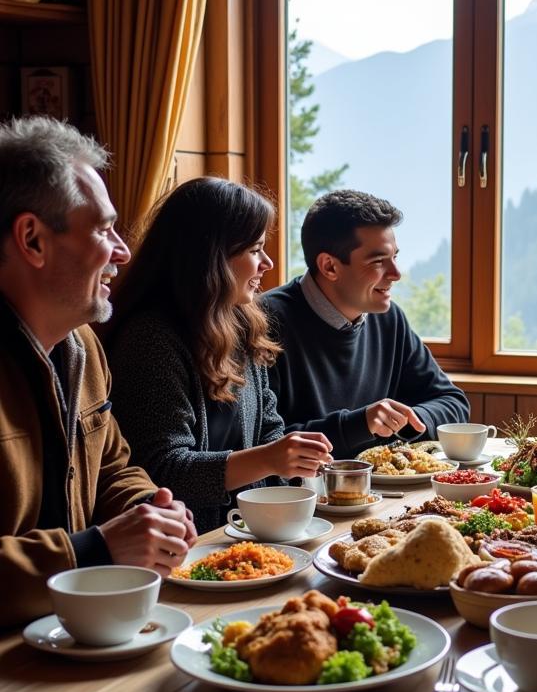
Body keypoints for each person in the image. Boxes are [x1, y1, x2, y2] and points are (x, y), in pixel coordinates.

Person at [0, 116, 196, 628]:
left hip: (75, 631)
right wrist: (93, 549)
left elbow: (113, 466)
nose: (124, 253)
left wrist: (152, 511)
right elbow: (93, 547)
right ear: (32, 239)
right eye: (105, 230)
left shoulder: (82, 343)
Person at [106, 178, 333, 534]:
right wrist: (270, 459)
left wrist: (294, 463)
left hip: (247, 533)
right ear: (211, 256)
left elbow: (269, 429)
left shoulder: (241, 322)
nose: (268, 263)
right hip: (187, 543)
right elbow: (161, 472)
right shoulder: (150, 340)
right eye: (255, 249)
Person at [262, 189, 470, 457]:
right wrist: (359, 425)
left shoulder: (390, 319)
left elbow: (453, 403)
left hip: (382, 494)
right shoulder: (263, 324)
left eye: (395, 257)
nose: (396, 274)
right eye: (379, 261)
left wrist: (403, 421)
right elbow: (261, 445)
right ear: (329, 267)